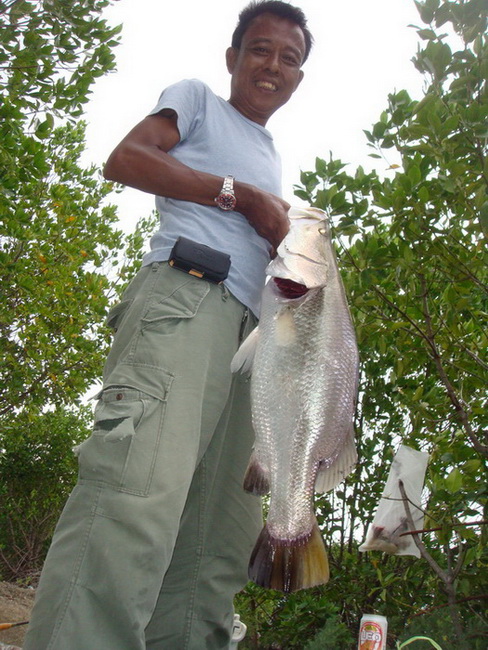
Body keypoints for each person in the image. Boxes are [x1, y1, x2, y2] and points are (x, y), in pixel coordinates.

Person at [23, 2, 313, 648]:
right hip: (186, 306)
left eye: (290, 59)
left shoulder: (271, 153)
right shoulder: (198, 101)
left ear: (299, 79)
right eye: (260, 49)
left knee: (217, 541)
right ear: (232, 57)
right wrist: (240, 196)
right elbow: (126, 158)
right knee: (135, 501)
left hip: (249, 344)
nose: (273, 66)